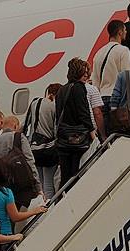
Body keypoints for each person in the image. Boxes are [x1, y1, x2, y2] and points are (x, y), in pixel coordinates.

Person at [55, 58, 95, 186]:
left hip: (63, 138)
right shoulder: (79, 87)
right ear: (77, 72)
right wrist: (92, 132)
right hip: (77, 138)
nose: (86, 75)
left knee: (65, 176)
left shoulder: (62, 90)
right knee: (77, 173)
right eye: (84, 72)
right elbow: (83, 113)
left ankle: (63, 195)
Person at [0, 115, 41, 206]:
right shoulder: (19, 137)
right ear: (15, 126)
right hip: (22, 188)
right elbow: (30, 162)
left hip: (2, 190)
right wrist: (38, 188)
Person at [22, 83, 62, 198]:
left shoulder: (35, 103)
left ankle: (41, 203)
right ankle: (50, 205)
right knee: (49, 182)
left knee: (39, 182)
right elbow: (56, 129)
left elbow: (25, 125)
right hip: (48, 150)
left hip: (34, 148)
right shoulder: (54, 106)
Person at [92, 20, 130, 127]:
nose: (126, 32)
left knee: (107, 132)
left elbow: (95, 82)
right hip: (117, 98)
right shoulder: (123, 50)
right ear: (120, 32)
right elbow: (127, 78)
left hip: (102, 98)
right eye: (125, 30)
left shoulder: (98, 53)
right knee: (120, 131)